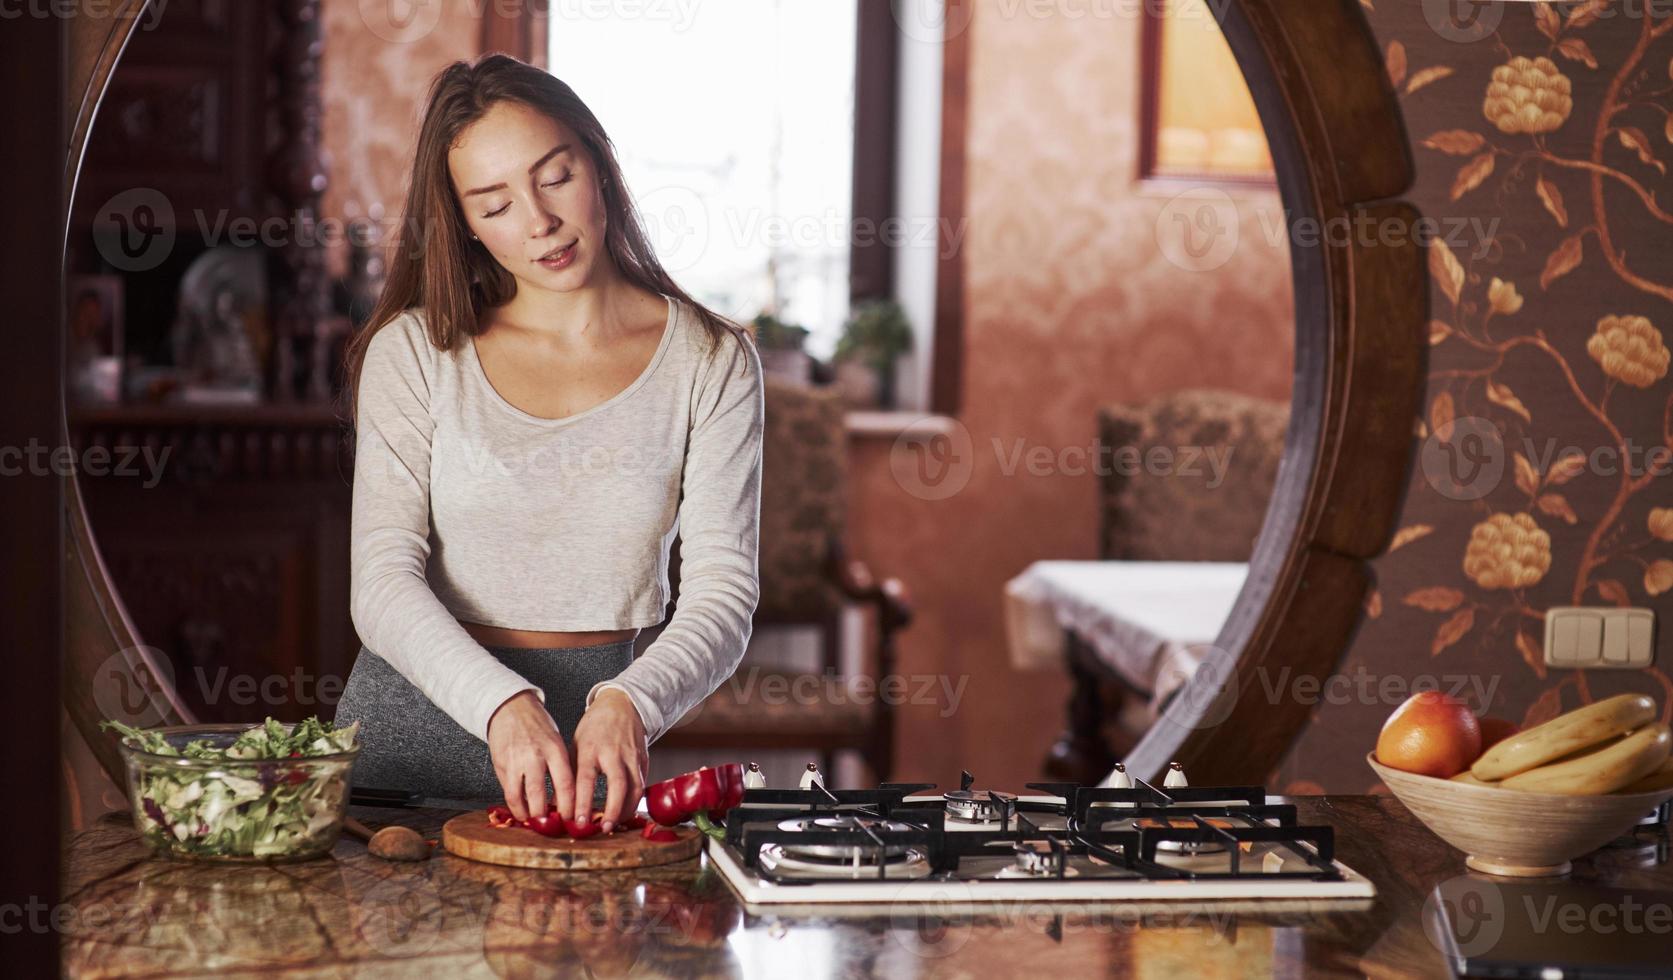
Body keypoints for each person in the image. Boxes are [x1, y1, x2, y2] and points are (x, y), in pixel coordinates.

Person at [333, 54, 764, 834]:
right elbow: (381, 584)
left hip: (587, 768)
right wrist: (503, 704)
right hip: (398, 774)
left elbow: (723, 596)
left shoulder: (711, 359)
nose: (538, 221)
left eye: (554, 176)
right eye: (493, 203)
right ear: (463, 223)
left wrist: (630, 700)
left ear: (597, 163)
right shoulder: (417, 350)